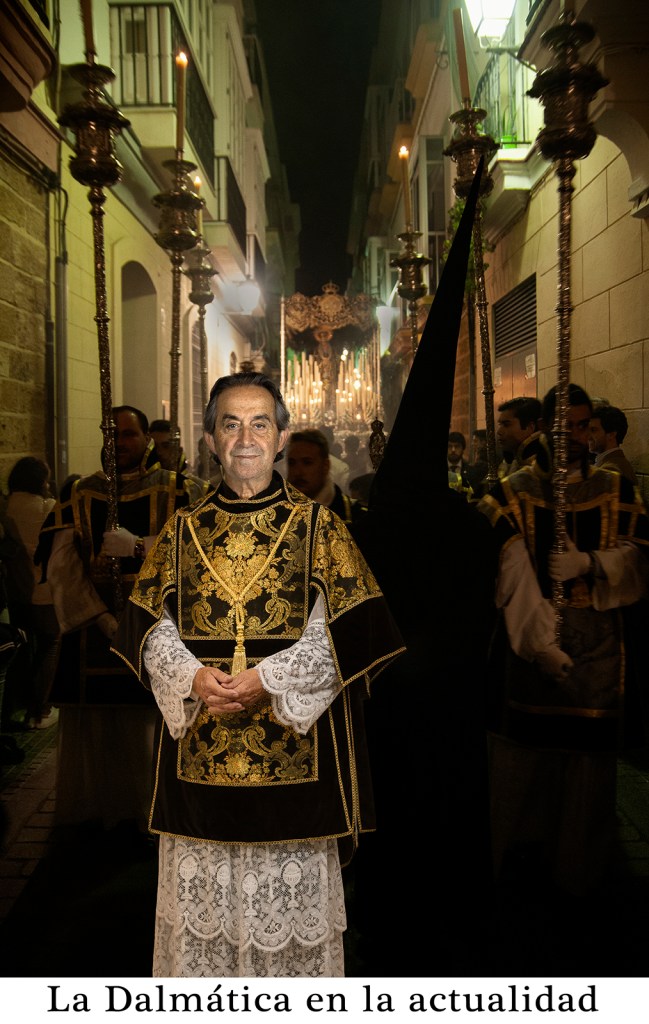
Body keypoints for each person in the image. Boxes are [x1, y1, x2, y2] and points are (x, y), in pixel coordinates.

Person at [111, 371, 405, 977]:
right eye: (231, 424)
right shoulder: (182, 529)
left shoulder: (320, 527)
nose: (245, 439)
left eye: (260, 424)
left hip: (296, 760)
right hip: (201, 759)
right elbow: (147, 626)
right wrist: (192, 677)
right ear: (211, 441)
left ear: (280, 438)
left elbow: (352, 630)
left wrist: (269, 679)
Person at [478, 383, 649, 897]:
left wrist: (590, 563)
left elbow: (639, 556)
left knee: (587, 772)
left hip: (599, 651)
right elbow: (509, 577)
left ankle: (581, 872)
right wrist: (539, 644)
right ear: (545, 428)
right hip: (530, 650)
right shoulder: (514, 492)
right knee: (523, 763)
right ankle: (520, 867)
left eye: (581, 425)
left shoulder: (616, 488)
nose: (574, 436)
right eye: (564, 426)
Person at [35, 405, 209, 829]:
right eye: (111, 435)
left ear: (147, 438)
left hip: (160, 627)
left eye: (129, 434)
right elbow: (62, 567)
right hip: (93, 630)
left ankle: (155, 810)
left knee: (150, 725)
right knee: (98, 730)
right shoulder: (80, 494)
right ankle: (98, 810)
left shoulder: (181, 491)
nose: (119, 443)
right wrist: (100, 618)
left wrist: (140, 546)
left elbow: (202, 551)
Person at [2, 457, 60, 730]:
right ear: (40, 481)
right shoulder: (46, 507)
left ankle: (14, 710)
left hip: (16, 592)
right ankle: (40, 711)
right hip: (43, 592)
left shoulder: (7, 506)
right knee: (51, 644)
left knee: (22, 649)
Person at [285, 428, 361, 530]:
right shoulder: (276, 513)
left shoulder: (356, 518)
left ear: (325, 466)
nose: (297, 472)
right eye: (292, 463)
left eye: (307, 463)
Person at [589, 404, 638, 485]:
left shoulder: (610, 470)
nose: (588, 436)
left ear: (611, 434)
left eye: (593, 430)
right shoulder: (617, 463)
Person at [496, 396, 543, 477]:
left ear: (529, 427)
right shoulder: (510, 461)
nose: (499, 432)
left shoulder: (539, 466)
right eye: (500, 425)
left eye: (506, 425)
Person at [447, 430, 473, 499]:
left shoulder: (471, 471)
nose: (453, 450)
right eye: (449, 446)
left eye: (457, 446)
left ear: (463, 448)